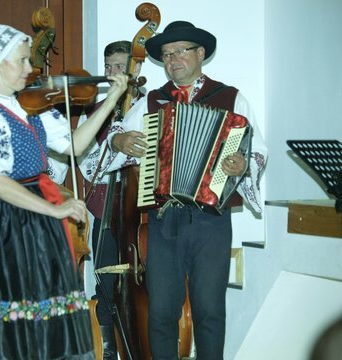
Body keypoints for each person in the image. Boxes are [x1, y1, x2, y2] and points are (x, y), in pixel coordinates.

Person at [0, 24, 128, 359]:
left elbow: (76, 145)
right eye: (20, 61)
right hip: (4, 221)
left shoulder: (31, 105)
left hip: (36, 218)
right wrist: (56, 209)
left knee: (45, 316)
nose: (28, 68)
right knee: (15, 318)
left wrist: (110, 101)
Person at [104, 21, 268, 359]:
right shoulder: (153, 101)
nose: (172, 59)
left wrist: (242, 164)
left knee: (210, 310)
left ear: (200, 54)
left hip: (212, 220)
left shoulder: (230, 97)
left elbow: (258, 151)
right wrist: (120, 140)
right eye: (166, 54)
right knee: (161, 311)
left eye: (180, 51)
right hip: (163, 221)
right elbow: (113, 138)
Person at [73, 40, 144, 360]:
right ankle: (107, 351)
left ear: (136, 68)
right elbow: (88, 163)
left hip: (142, 212)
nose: (113, 73)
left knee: (144, 289)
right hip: (106, 210)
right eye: (109, 67)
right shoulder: (96, 110)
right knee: (105, 288)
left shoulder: (152, 105)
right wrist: (116, 141)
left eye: (120, 66)